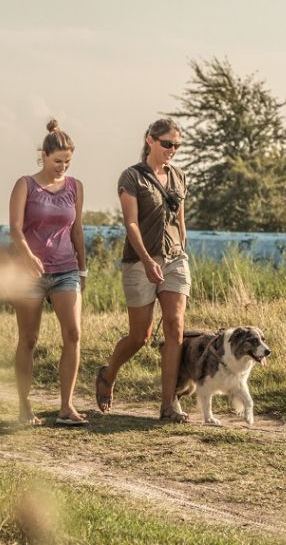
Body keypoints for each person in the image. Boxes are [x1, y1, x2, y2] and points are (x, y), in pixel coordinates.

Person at [95, 118, 191, 422]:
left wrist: (182, 249)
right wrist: (148, 261)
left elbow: (180, 220)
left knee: (175, 327)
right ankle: (108, 375)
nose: (172, 150)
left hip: (175, 258)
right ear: (150, 140)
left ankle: (168, 405)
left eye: (176, 145)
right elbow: (131, 222)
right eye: (167, 144)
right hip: (140, 260)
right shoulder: (132, 177)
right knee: (141, 335)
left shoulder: (179, 176)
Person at [8, 120, 89, 427]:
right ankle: (24, 406)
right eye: (57, 161)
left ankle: (66, 406)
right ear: (43, 155)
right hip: (28, 273)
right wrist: (28, 256)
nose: (62, 167)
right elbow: (15, 229)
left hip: (66, 269)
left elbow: (77, 229)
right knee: (29, 338)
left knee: (74, 334)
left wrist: (83, 268)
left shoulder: (75, 187)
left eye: (67, 162)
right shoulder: (25, 184)